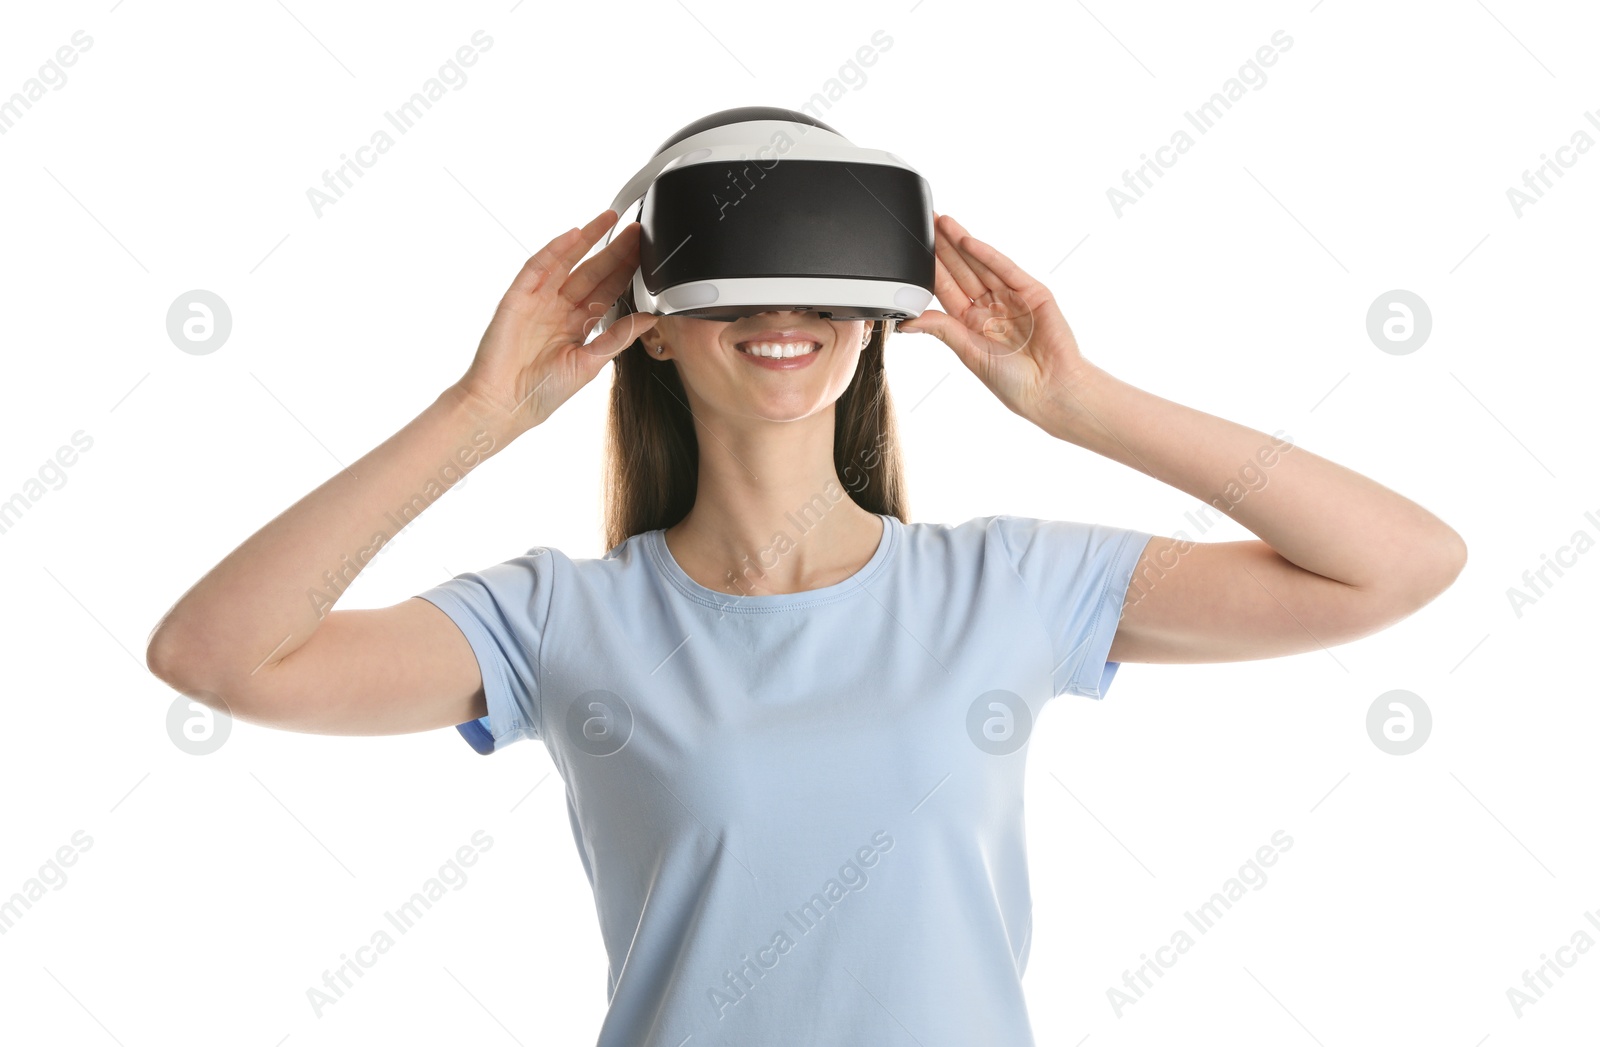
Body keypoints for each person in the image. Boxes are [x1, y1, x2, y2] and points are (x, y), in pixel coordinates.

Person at [145, 205, 1466, 1045]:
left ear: (875, 324)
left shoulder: (1009, 588)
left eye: (823, 274)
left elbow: (1401, 565)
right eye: (731, 280)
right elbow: (218, 655)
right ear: (650, 332)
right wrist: (479, 415)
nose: (782, 313)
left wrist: (1079, 401)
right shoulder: (559, 620)